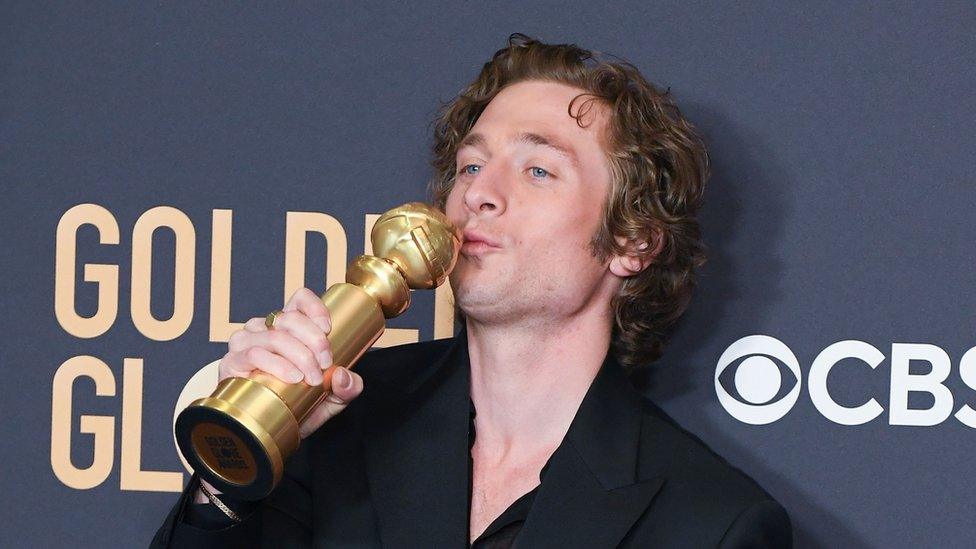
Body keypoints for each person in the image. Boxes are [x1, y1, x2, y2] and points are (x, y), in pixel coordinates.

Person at [151, 34, 792, 548]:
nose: (479, 193)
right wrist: (227, 476)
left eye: (538, 170)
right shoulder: (333, 425)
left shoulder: (712, 525)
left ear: (632, 242)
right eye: (471, 165)